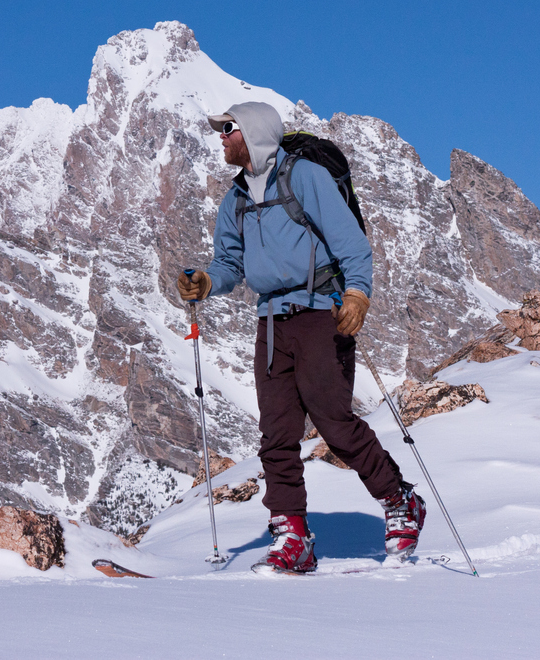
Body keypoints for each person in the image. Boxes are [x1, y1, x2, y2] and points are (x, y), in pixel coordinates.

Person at [177, 101, 426, 574]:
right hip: (270, 323)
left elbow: (350, 243)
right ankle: (291, 533)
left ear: (252, 132)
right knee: (276, 434)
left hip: (318, 313)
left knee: (334, 423)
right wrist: (208, 282)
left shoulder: (305, 177)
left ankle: (400, 500)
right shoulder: (235, 200)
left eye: (228, 129)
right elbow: (229, 264)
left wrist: (357, 294)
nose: (222, 137)